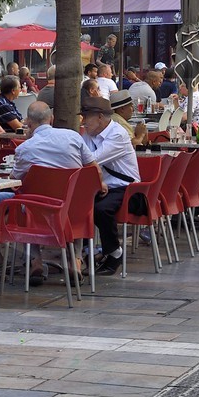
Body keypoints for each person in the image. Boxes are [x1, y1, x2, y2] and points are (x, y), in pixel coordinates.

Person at [80, 94, 139, 275]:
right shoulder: (90, 133)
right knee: (76, 205)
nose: (83, 121)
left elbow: (90, 161)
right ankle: (83, 252)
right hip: (103, 186)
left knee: (101, 209)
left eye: (86, 117)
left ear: (99, 117)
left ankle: (114, 252)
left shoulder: (118, 134)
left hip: (127, 189)